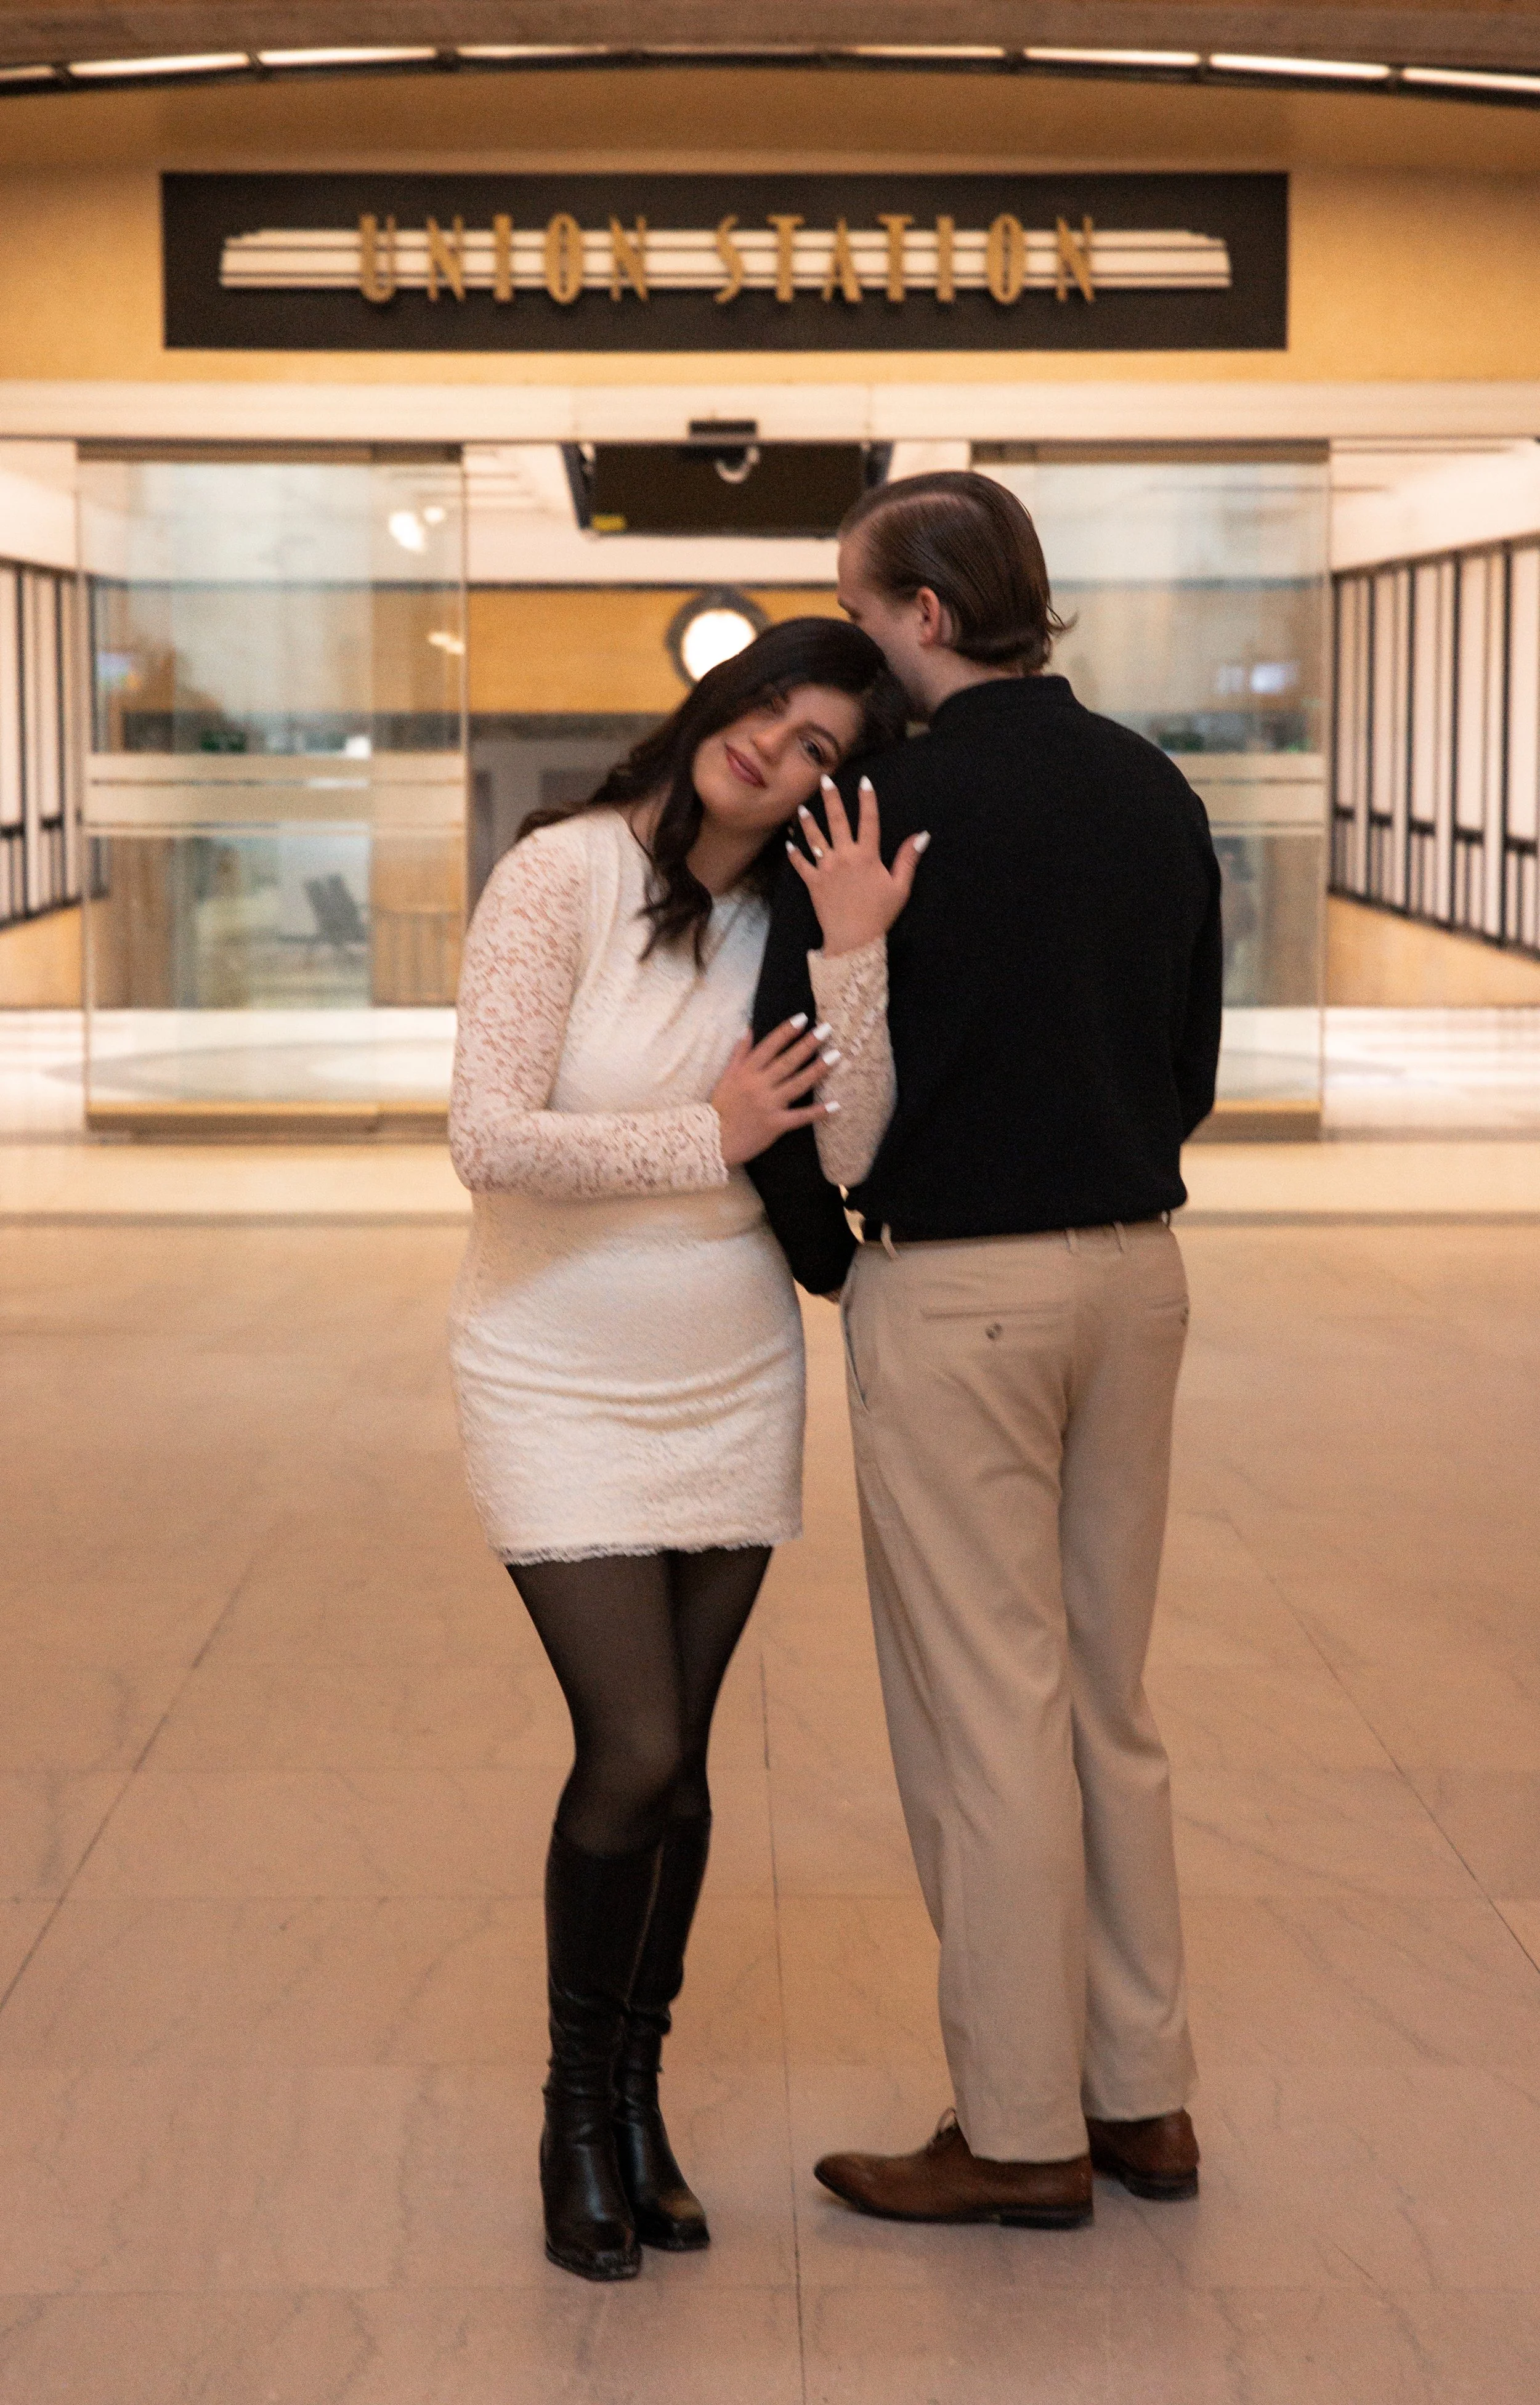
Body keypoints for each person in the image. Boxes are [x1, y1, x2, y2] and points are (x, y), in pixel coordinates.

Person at [750, 471, 1223, 2228]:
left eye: (859, 609)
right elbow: (1186, 1065)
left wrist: (833, 1263)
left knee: (988, 1715)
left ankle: (1018, 2131)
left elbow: (821, 1114)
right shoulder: (1153, 785)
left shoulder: (872, 804)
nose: (856, 644)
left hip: (958, 1292)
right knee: (1107, 1694)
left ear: (922, 620)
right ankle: (1142, 2100)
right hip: (1137, 1278)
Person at [447, 618, 907, 2282]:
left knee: (684, 1760)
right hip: (552, 1363)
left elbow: (844, 1145)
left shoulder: (788, 922)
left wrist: (852, 950)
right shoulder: (557, 875)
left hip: (726, 1358)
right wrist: (698, 1137)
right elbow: (486, 1141)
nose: (772, 750)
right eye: (767, 711)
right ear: (719, 702)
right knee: (630, 1749)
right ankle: (576, 2114)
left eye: (816, 749)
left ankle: (639, 2105)